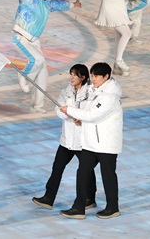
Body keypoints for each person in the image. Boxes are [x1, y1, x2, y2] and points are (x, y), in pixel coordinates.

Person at [60, 62, 123, 220]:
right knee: (82, 172)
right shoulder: (95, 90)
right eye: (92, 75)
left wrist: (70, 111)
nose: (93, 79)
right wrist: (77, 115)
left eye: (97, 76)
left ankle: (112, 207)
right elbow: (87, 111)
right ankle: (79, 207)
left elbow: (92, 115)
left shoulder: (110, 96)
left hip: (106, 144)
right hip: (90, 143)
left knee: (108, 175)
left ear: (106, 77)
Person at [13, 0, 82, 112]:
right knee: (37, 60)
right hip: (21, 37)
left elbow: (59, 4)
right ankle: (23, 75)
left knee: (43, 74)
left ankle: (37, 105)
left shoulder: (47, 3)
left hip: (34, 41)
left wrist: (74, 4)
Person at [32, 64, 97, 210]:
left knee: (86, 171)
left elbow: (91, 113)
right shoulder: (65, 92)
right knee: (57, 168)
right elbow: (59, 110)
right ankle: (48, 198)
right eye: (71, 74)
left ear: (83, 77)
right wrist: (71, 114)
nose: (72, 77)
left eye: (75, 75)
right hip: (67, 140)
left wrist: (77, 115)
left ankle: (90, 198)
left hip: (83, 141)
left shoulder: (91, 94)